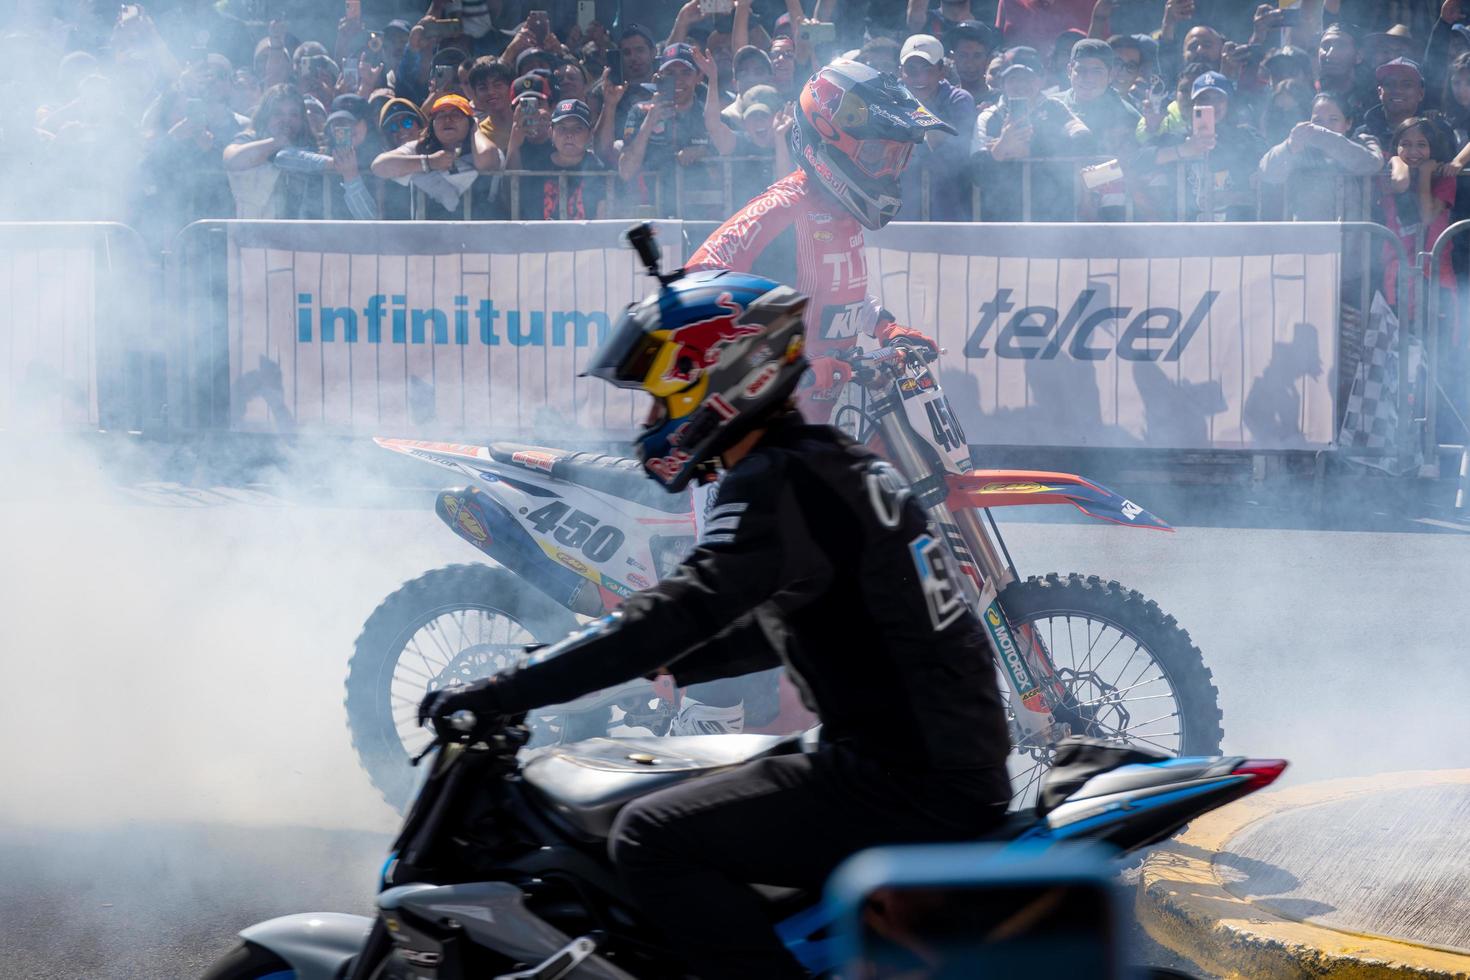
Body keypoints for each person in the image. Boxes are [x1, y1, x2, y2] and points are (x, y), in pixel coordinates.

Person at [419, 262, 1011, 980]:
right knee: (701, 773)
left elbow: (677, 608)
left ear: (724, 379)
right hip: (938, 758)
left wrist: (509, 687)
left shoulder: (772, 482)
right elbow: (807, 618)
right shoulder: (836, 463)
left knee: (648, 834)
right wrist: (681, 665)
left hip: (907, 779)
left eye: (663, 396)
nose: (653, 420)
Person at [685, 61, 949, 421]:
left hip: (819, 418)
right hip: (753, 424)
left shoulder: (842, 211)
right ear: (825, 139)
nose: (888, 172)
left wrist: (886, 327)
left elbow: (835, 294)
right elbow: (692, 291)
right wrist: (786, 362)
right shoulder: (781, 209)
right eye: (876, 155)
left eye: (897, 157)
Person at [972, 46, 1095, 221]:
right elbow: (977, 173)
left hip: (1054, 216)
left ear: (1041, 80)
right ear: (1002, 83)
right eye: (1013, 78)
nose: (1020, 85)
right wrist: (1001, 147)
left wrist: (1031, 150)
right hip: (1003, 218)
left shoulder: (1055, 108)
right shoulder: (989, 117)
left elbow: (1084, 141)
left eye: (1027, 78)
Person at [618, 43, 736, 218]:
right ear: (658, 77)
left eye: (686, 73)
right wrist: (650, 122)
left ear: (698, 77)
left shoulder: (710, 118)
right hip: (652, 214)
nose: (678, 80)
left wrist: (704, 153)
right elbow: (626, 170)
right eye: (670, 74)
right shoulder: (640, 113)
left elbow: (729, 160)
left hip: (700, 218)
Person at [1260, 91, 1384, 220]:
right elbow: (1267, 172)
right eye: (1318, 121)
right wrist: (1289, 146)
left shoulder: (1364, 142)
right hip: (1309, 235)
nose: (1325, 126)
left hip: (1352, 236)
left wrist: (1327, 138)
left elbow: (1373, 164)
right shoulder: (1300, 150)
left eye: (1333, 120)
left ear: (1348, 123)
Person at [897, 34, 977, 220]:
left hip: (950, 208)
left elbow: (960, 148)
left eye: (927, 69)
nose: (920, 77)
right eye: (911, 69)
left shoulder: (959, 99)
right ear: (901, 71)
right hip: (903, 211)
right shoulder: (888, 97)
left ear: (942, 70)